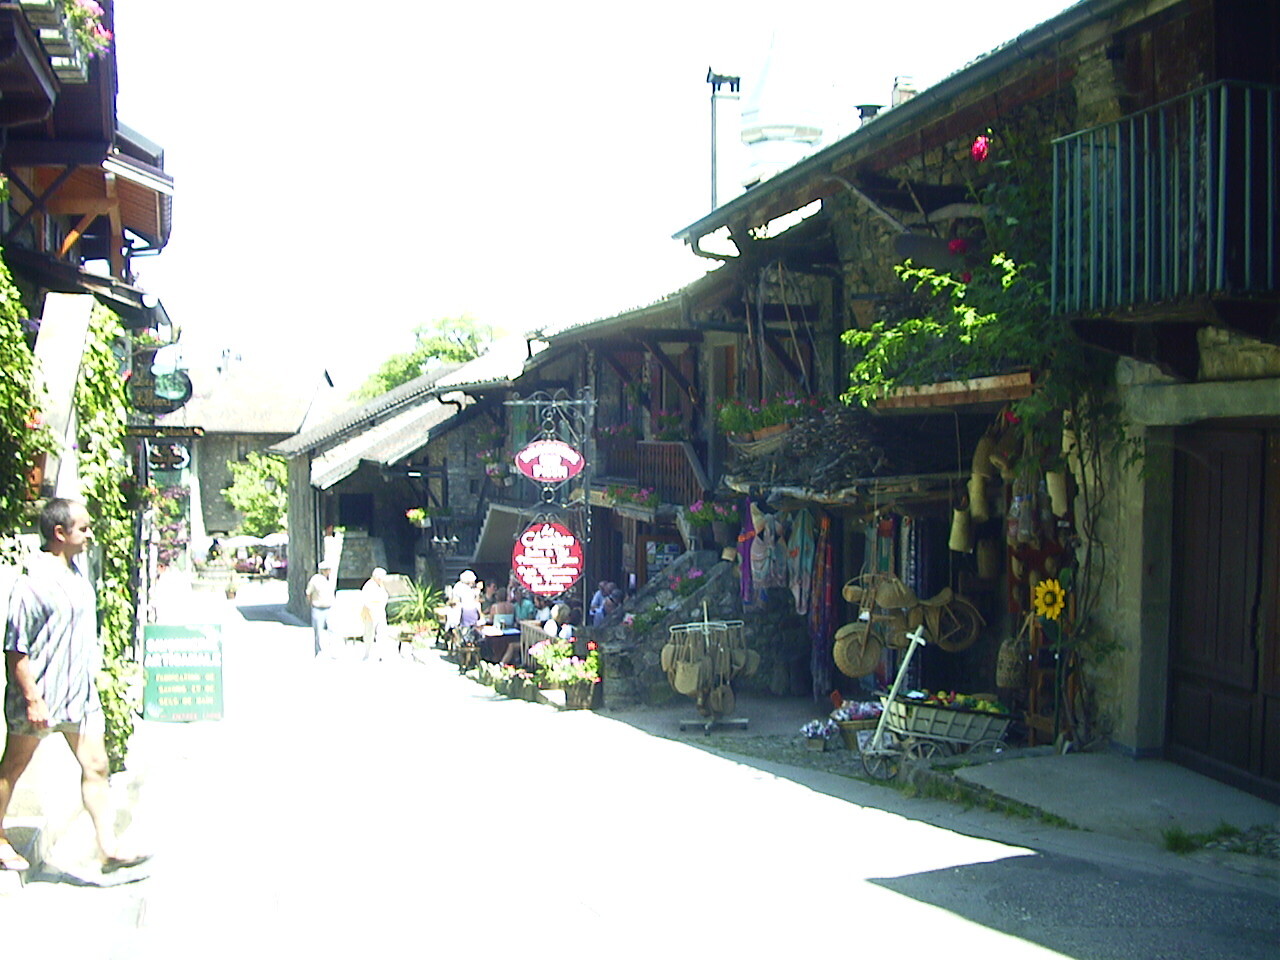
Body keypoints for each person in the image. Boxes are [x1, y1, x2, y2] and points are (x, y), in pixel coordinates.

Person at [1, 498, 149, 874]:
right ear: (59, 533)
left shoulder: (77, 573)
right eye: (82, 528)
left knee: (96, 765)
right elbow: (15, 649)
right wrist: (32, 699)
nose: (88, 535)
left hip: (78, 698)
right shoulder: (32, 582)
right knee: (13, 768)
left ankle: (108, 848)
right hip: (41, 698)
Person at [305, 559, 336, 657]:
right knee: (319, 632)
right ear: (323, 570)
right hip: (318, 608)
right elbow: (308, 593)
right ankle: (319, 652)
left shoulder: (330, 580)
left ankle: (332, 651)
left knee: (332, 630)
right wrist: (312, 604)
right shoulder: (315, 579)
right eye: (327, 569)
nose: (329, 571)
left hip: (329, 607)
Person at [360, 567, 390, 662]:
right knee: (369, 634)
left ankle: (381, 654)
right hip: (371, 613)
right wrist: (370, 613)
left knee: (382, 633)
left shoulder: (381, 585)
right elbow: (365, 601)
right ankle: (368, 654)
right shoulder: (368, 586)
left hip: (380, 612)